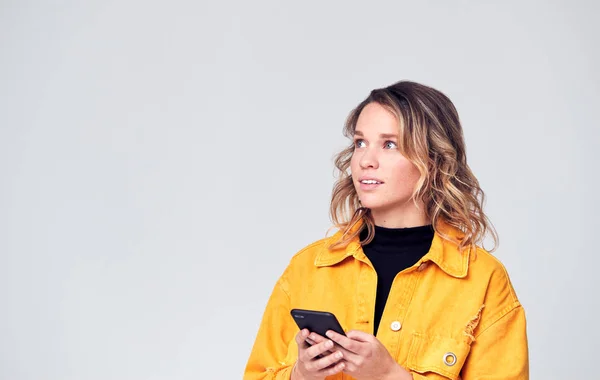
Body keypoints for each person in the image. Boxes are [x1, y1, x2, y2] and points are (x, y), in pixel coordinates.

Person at [244, 81, 529, 380]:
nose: (366, 160)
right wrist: (300, 375)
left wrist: (389, 376)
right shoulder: (307, 269)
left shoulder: (483, 281)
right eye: (360, 143)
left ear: (433, 159)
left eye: (389, 144)